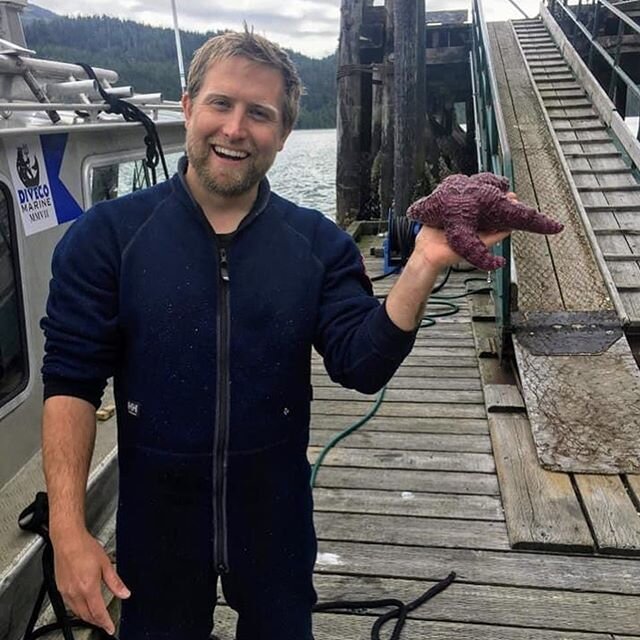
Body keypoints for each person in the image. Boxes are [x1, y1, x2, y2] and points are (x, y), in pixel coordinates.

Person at [40, 28, 510, 640]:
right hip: (157, 527)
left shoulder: (318, 245)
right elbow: (71, 382)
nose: (236, 129)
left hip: (276, 521)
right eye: (220, 103)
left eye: (259, 114)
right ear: (188, 106)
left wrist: (420, 265)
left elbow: (360, 364)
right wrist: (69, 531)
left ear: (283, 135)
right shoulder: (105, 239)